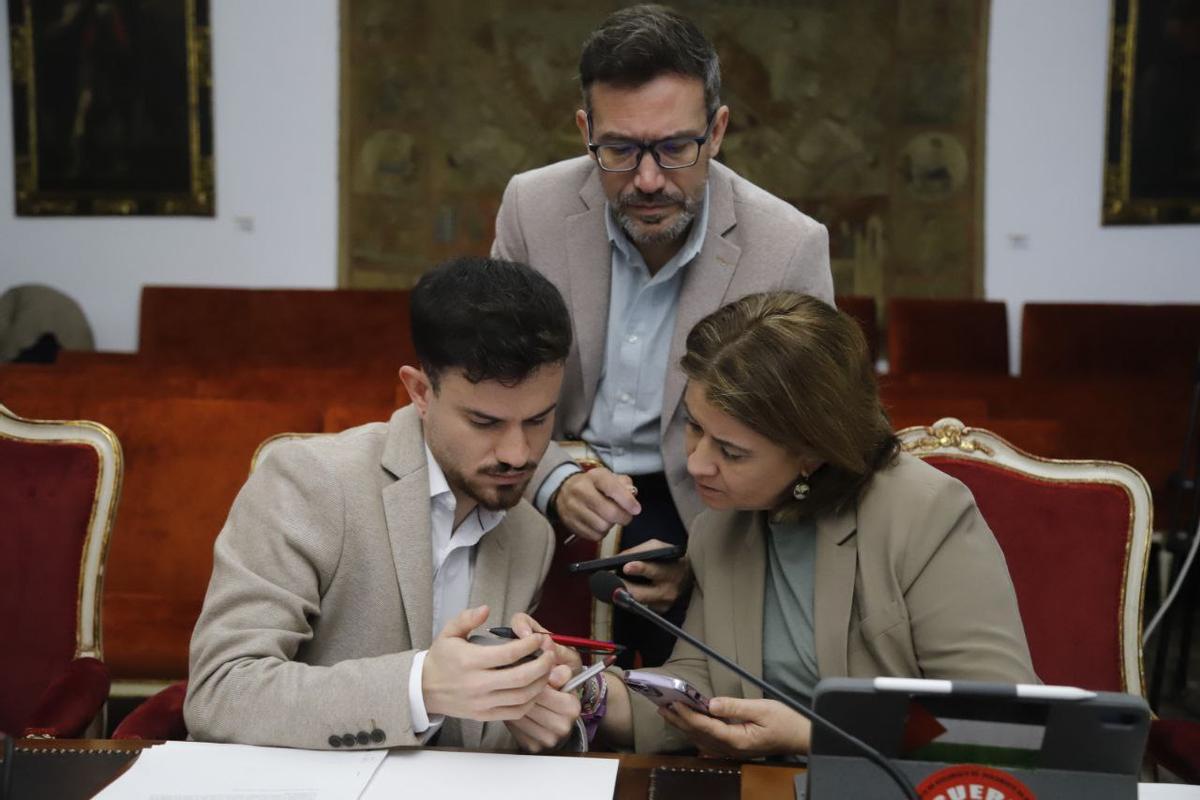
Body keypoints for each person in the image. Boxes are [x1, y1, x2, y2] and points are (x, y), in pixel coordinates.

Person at [492, 4, 833, 667]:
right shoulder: (531, 208)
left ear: (718, 130)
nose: (648, 180)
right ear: (585, 131)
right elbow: (490, 385)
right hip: (546, 470)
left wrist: (707, 561)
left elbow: (810, 451)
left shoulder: (789, 247)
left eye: (675, 148)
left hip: (713, 502)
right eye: (619, 150)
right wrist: (555, 477)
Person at [584, 292, 1036, 757]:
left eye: (732, 452)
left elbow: (998, 727)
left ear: (812, 452)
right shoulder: (722, 524)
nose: (697, 464)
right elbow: (699, 689)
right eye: (694, 426)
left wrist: (810, 736)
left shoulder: (925, 515)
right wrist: (584, 694)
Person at [185, 256, 583, 753]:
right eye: (485, 423)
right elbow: (221, 693)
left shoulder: (531, 532)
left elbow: (473, 738)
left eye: (539, 420)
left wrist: (531, 705)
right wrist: (419, 687)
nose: (517, 454)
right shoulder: (311, 481)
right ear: (419, 391)